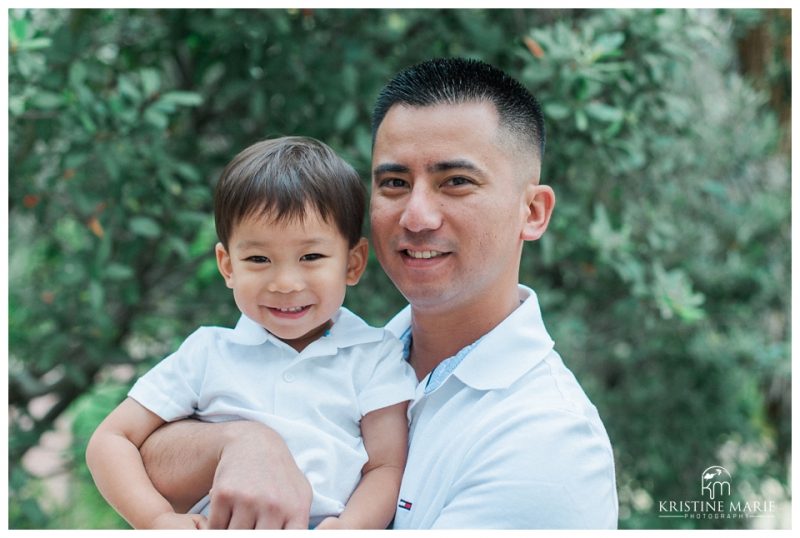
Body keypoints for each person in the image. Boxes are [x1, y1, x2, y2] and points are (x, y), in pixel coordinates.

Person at [138, 58, 619, 529]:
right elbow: (139, 458)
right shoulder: (358, 349)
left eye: (456, 182)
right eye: (394, 182)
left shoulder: (548, 442)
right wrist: (242, 444)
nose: (417, 216)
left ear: (532, 211)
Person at [85, 136, 418, 529]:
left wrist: (349, 528)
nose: (285, 282)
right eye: (258, 259)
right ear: (228, 266)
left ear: (353, 262)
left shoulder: (374, 355)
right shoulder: (208, 352)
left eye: (311, 257)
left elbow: (386, 467)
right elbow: (111, 441)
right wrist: (157, 519)